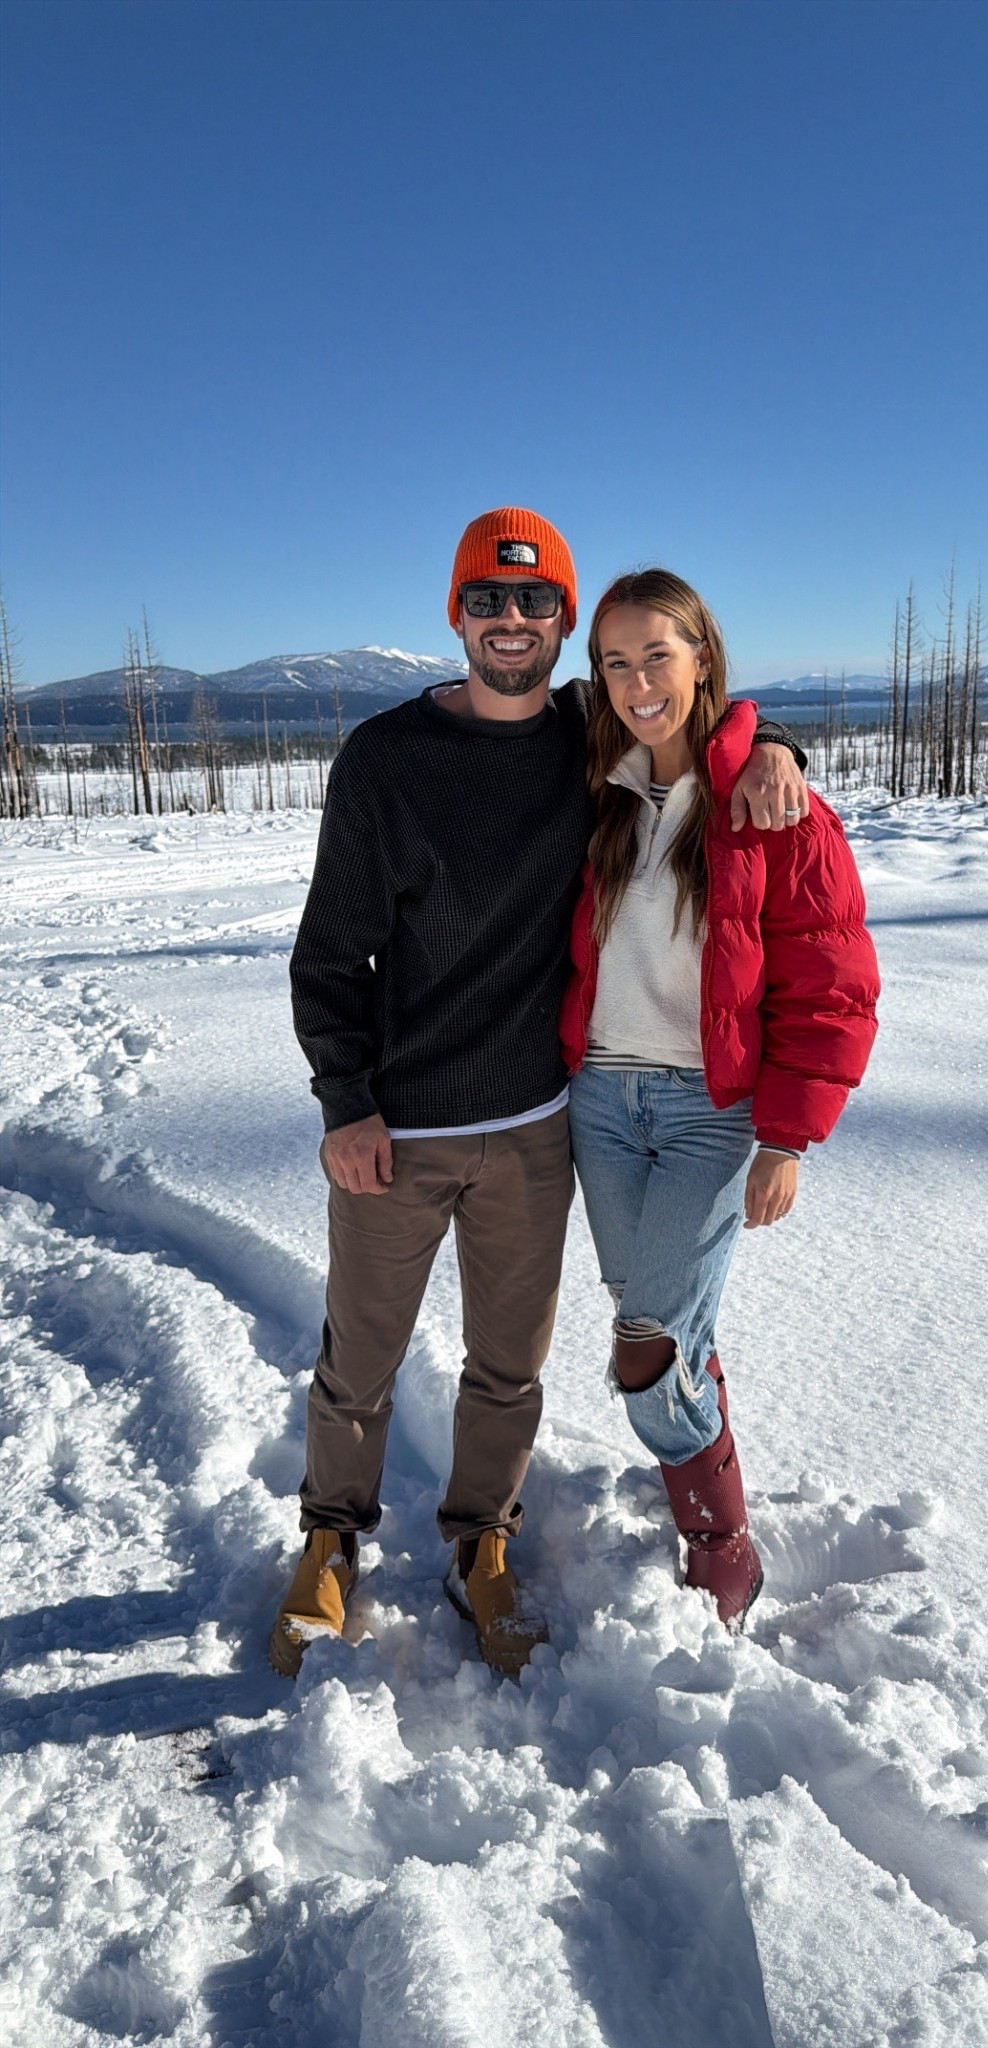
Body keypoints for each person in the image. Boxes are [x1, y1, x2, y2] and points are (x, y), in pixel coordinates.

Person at [270, 511, 811, 1681]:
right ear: (455, 612)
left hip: (533, 1125)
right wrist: (345, 1102)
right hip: (399, 1129)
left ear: (562, 621)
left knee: (507, 1364)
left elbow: (703, 718)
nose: (511, 622)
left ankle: (483, 1545)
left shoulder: (584, 731)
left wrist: (782, 753)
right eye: (488, 600)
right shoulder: (383, 758)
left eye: (535, 605)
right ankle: (329, 1538)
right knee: (360, 1353)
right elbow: (329, 953)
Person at [559, 569, 879, 1628]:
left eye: (659, 654)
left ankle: (717, 1535)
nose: (639, 680)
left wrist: (786, 1138)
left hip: (711, 1110)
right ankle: (705, 1483)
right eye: (615, 660)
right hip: (600, 1100)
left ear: (703, 658)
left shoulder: (771, 804)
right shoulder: (594, 782)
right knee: (663, 1322)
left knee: (645, 1341)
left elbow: (833, 983)